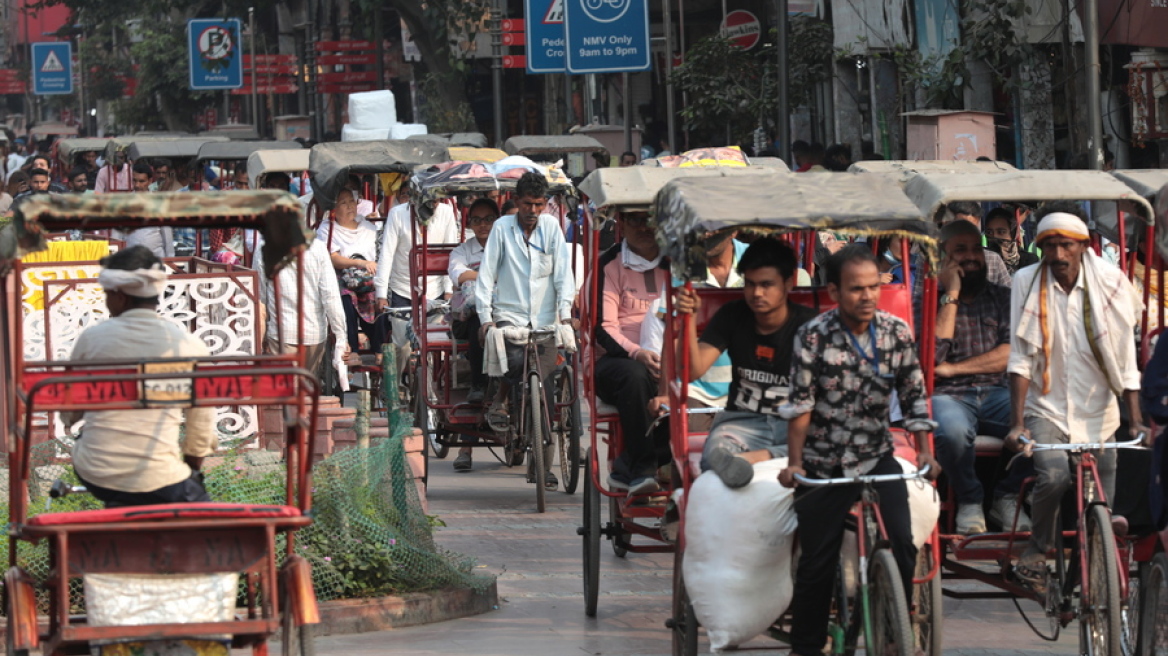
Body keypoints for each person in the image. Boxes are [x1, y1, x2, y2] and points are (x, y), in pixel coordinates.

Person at [778, 245, 939, 656]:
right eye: (856, 289)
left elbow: (914, 395)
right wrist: (795, 463)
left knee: (903, 542)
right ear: (834, 291)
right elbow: (800, 406)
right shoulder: (813, 335)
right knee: (817, 563)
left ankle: (894, 632)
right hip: (823, 460)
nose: (867, 296)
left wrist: (923, 451)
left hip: (876, 454)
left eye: (873, 287)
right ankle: (806, 648)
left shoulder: (895, 332)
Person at [1005, 204, 1149, 588]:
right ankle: (1037, 550)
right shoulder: (1025, 280)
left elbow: (1125, 359)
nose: (1057, 254)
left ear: (1083, 245)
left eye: (1066, 245)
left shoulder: (1111, 281)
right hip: (1045, 407)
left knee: (1102, 503)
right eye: (1049, 245)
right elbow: (1020, 357)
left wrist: (1136, 420)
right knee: (1053, 477)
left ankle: (1094, 572)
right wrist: (1017, 424)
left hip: (1099, 411)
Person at [62, 246, 216, 507]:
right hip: (162, 478)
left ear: (120, 296)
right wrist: (191, 471)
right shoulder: (189, 345)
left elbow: (70, 412)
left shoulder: (92, 339)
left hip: (95, 471)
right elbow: (201, 425)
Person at [666, 238, 816, 488]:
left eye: (766, 285)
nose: (757, 294)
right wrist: (688, 320)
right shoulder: (732, 315)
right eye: (750, 284)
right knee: (714, 452)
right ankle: (767, 457)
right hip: (742, 422)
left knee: (827, 446)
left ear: (788, 283)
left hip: (795, 423)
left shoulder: (811, 326)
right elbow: (691, 371)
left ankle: (758, 458)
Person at [474, 171, 575, 490]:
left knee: (545, 386)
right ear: (517, 201)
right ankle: (508, 407)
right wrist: (485, 318)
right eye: (528, 204)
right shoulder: (502, 228)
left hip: (545, 321)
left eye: (539, 205)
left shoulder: (552, 228)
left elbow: (563, 274)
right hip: (509, 317)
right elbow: (486, 274)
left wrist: (565, 315)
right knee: (516, 369)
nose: (533, 210)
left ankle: (542, 462)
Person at [931, 220, 1018, 534]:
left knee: (1045, 423)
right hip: (949, 396)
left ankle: (1007, 496)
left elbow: (1010, 354)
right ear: (944, 258)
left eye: (975, 249)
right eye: (960, 250)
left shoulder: (1003, 297)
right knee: (951, 432)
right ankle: (970, 500)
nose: (970, 257)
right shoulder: (928, 298)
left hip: (999, 392)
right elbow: (931, 359)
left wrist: (955, 368)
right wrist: (951, 294)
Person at [593, 208, 668, 495]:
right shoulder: (608, 264)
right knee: (635, 376)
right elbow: (604, 328)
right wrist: (638, 353)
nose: (644, 227)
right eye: (636, 219)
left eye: (651, 219)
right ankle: (644, 468)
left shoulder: (678, 261)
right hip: (618, 360)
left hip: (671, 354)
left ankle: (626, 465)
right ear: (622, 223)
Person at [448, 199, 499, 472]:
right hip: (470, 317)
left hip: (504, 311)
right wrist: (491, 278)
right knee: (480, 319)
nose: (483, 225)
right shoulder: (462, 250)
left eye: (488, 219)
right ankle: (466, 446)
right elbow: (460, 276)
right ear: (469, 224)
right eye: (477, 220)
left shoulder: (508, 245)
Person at [258, 238, 347, 375]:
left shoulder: (264, 247)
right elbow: (330, 296)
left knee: (286, 385)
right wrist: (340, 335)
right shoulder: (318, 247)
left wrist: (261, 336)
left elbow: (260, 297)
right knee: (306, 383)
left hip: (282, 332)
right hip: (314, 333)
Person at [316, 190, 383, 354]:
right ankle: (352, 349)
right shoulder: (326, 229)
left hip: (369, 278)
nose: (349, 206)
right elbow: (333, 258)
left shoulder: (368, 227)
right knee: (345, 298)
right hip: (343, 278)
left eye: (352, 202)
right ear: (334, 208)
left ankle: (379, 349)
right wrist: (359, 263)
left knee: (381, 298)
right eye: (343, 203)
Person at [374, 187, 459, 312]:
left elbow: (450, 253)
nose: (431, 206)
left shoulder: (446, 212)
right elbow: (387, 254)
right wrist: (381, 294)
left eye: (435, 201)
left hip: (436, 289)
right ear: (414, 198)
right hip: (402, 288)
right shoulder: (397, 214)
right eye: (426, 202)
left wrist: (448, 290)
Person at [123, 162, 174, 258]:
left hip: (156, 258)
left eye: (141, 181)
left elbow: (167, 236)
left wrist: (171, 259)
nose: (137, 185)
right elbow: (117, 235)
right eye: (134, 180)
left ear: (150, 181)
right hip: (131, 259)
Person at [984, 207, 1038, 275]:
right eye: (989, 232)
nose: (995, 236)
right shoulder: (982, 260)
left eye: (1001, 232)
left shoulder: (1030, 261)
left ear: (1013, 234)